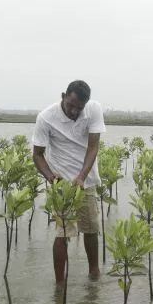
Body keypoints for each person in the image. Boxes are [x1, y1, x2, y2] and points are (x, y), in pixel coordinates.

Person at [31, 80, 105, 285]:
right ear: (63, 96)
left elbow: (93, 147)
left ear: (86, 104)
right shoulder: (46, 117)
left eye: (78, 108)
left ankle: (94, 274)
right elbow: (37, 155)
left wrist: (82, 176)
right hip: (60, 184)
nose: (74, 111)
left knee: (91, 229)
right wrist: (50, 176)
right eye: (70, 105)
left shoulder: (93, 110)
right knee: (63, 233)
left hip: (86, 180)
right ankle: (59, 285)